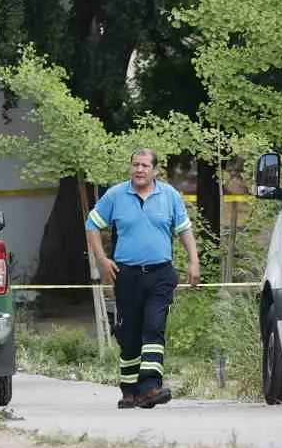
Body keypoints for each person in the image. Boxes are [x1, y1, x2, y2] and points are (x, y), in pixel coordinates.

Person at [84, 148, 201, 409]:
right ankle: (130, 391)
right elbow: (91, 225)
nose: (139, 170)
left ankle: (150, 387)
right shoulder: (115, 195)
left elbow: (184, 230)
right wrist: (103, 260)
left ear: (155, 170)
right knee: (129, 334)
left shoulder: (169, 195)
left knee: (154, 326)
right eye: (136, 165)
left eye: (145, 165)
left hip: (161, 274)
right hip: (127, 275)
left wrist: (194, 261)